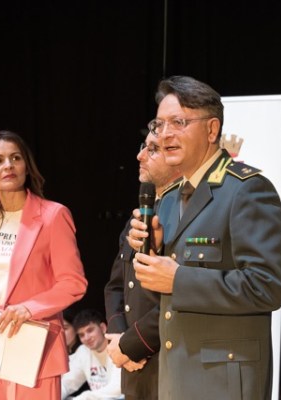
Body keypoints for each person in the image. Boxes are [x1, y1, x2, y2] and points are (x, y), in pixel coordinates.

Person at [128, 76, 281, 399]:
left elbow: (267, 287)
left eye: (178, 122)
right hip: (176, 378)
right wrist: (153, 251)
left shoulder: (247, 190)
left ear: (212, 130)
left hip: (223, 382)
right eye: (159, 124)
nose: (165, 134)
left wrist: (178, 279)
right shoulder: (169, 198)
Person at [0, 130, 88, 399]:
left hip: (33, 346)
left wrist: (28, 308)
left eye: (15, 158)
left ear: (26, 166)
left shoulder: (53, 215)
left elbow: (73, 283)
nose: (8, 166)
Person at [103, 132, 181, 399]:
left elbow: (183, 296)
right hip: (134, 367)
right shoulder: (137, 218)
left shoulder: (187, 217)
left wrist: (131, 345)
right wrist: (118, 337)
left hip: (167, 361)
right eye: (142, 147)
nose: (140, 156)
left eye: (153, 149)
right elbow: (115, 286)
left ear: (176, 157)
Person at [61, 309, 124, 400]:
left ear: (102, 328)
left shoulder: (116, 347)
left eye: (90, 330)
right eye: (82, 335)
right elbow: (67, 384)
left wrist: (85, 397)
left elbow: (117, 388)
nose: (86, 338)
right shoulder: (83, 351)